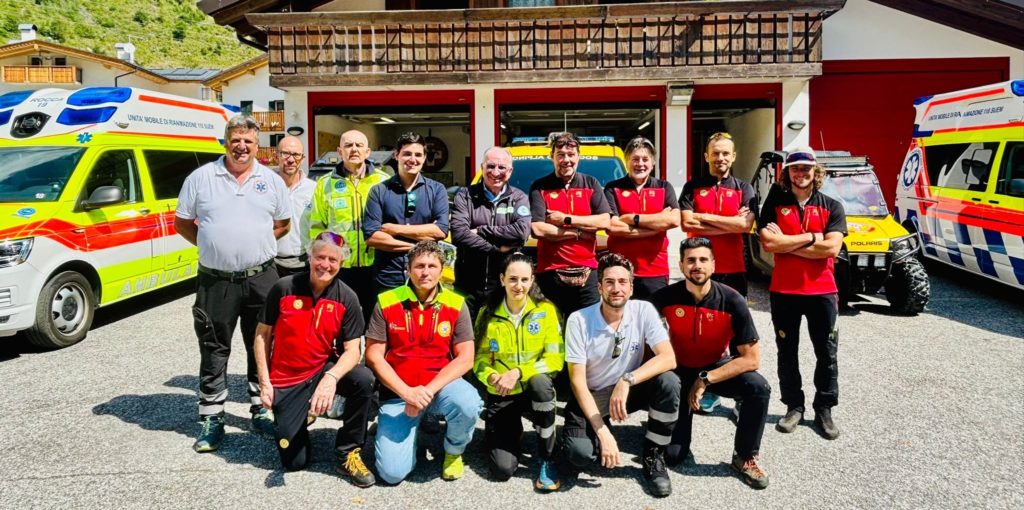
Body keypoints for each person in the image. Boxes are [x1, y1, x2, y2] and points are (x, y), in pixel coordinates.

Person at [174, 115, 292, 452]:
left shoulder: (271, 181)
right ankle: (212, 418)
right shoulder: (201, 178)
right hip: (216, 280)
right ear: (225, 142)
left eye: (248, 141)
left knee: (263, 344)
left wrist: (255, 243)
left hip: (261, 278)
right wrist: (212, 245)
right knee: (214, 346)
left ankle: (260, 408)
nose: (241, 146)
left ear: (257, 145)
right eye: (235, 140)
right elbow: (183, 223)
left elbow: (283, 223)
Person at [253, 232, 376, 487]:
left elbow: (353, 350)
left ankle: (348, 452)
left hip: (321, 369)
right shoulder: (283, 288)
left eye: (333, 260)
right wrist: (265, 383)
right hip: (287, 377)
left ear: (341, 263)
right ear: (309, 257)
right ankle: (300, 416)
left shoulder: (347, 297)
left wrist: (331, 378)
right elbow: (262, 335)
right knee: (294, 462)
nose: (325, 265)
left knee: (363, 379)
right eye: (320, 257)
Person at [651, 237, 771, 490]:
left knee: (758, 387)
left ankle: (745, 456)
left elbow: (751, 359)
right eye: (691, 260)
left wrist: (706, 379)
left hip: (715, 369)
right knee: (674, 455)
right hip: (679, 373)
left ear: (713, 265)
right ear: (681, 265)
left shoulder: (732, 300)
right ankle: (663, 418)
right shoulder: (665, 297)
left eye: (703, 260)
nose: (697, 265)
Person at [562, 253, 681, 498]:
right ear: (599, 287)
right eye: (609, 282)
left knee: (669, 381)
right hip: (592, 394)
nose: (616, 288)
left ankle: (654, 454)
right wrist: (602, 432)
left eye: (622, 282)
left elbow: (669, 358)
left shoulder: (643, 310)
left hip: (627, 390)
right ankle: (598, 428)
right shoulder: (579, 320)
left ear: (631, 287)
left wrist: (627, 380)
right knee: (579, 455)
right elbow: (577, 382)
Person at [364, 241, 483, 484]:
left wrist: (426, 392)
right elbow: (374, 356)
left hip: (439, 389)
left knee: (469, 402)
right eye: (419, 266)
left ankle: (453, 451)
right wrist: (407, 393)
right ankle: (410, 433)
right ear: (408, 269)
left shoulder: (456, 304)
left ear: (441, 270)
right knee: (391, 474)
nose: (425, 272)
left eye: (432, 266)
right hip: (399, 392)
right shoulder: (386, 302)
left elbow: (466, 358)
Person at [758, 147, 847, 440]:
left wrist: (787, 242)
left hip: (822, 291)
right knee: (787, 352)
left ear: (815, 171)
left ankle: (824, 408)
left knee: (826, 353)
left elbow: (831, 248)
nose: (801, 174)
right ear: (788, 173)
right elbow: (768, 244)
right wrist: (810, 238)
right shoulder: (776, 203)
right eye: (795, 168)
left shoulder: (832, 206)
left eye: (806, 169)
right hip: (784, 291)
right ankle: (793, 406)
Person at [679, 131, 756, 414]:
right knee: (703, 333)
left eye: (725, 153)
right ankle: (707, 388)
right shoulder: (692, 187)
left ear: (733, 156)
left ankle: (740, 395)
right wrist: (728, 222)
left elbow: (745, 226)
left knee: (737, 336)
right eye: (715, 153)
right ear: (706, 156)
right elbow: (687, 222)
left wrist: (704, 219)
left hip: (732, 270)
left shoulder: (744, 188)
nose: (720, 158)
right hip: (699, 272)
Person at [472, 253, 564, 491]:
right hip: (502, 393)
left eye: (524, 279)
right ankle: (512, 430)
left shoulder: (546, 311)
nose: (519, 286)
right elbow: (479, 360)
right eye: (513, 279)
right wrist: (491, 376)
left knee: (541, 384)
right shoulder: (488, 312)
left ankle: (547, 456)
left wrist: (519, 372)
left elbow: (556, 359)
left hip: (533, 390)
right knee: (501, 470)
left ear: (532, 280)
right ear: (502, 279)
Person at [309, 130, 391, 324]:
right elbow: (317, 227)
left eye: (359, 145)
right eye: (348, 145)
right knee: (340, 322)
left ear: (368, 152)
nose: (354, 149)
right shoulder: (325, 184)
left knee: (376, 323)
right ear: (339, 151)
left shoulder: (383, 182)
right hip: (341, 266)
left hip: (376, 264)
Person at [529, 132, 611, 318]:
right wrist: (579, 233)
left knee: (589, 328)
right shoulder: (539, 186)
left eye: (571, 154)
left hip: (587, 273)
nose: (566, 160)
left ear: (578, 157)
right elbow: (538, 229)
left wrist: (566, 219)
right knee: (552, 329)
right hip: (549, 273)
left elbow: (604, 221)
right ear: (552, 157)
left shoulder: (591, 183)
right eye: (560, 155)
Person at [363, 132, 450, 293]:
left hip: (425, 277)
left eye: (418, 155)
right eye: (407, 154)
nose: (413, 159)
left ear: (424, 158)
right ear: (396, 155)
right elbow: (372, 236)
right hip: (388, 276)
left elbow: (440, 230)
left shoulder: (437, 190)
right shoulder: (379, 191)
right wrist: (416, 246)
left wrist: (395, 229)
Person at [451, 147, 531, 318]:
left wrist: (481, 230)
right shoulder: (465, 196)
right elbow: (459, 234)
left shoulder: (519, 197)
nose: (495, 172)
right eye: (491, 166)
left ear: (510, 171)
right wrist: (496, 249)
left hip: (504, 287)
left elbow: (521, 232)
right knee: (465, 333)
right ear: (482, 167)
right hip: (467, 286)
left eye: (502, 167)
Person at [604, 137, 681, 300]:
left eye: (645, 159)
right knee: (621, 315)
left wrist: (633, 219)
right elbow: (612, 227)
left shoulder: (664, 187)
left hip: (655, 271)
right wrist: (657, 225)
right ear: (627, 161)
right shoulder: (612, 188)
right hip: (620, 270)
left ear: (653, 162)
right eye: (635, 159)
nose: (640, 164)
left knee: (654, 314)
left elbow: (674, 220)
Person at [274, 135, 316, 277]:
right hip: (271, 263)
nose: (291, 159)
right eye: (285, 153)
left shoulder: (314, 189)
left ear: (303, 159)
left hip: (304, 263)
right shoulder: (267, 186)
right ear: (277, 156)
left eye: (296, 155)